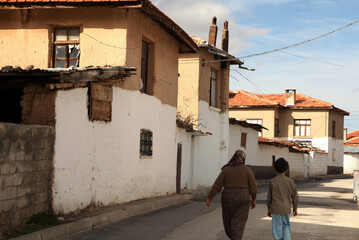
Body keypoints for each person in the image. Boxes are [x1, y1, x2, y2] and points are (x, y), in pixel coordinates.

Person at [206, 150, 257, 240]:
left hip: (228, 197)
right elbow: (253, 186)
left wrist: (210, 197)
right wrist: (253, 199)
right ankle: (236, 237)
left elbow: (217, 185)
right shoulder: (248, 170)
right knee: (239, 221)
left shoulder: (226, 169)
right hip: (243, 197)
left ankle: (234, 236)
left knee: (228, 220)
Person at [267, 158, 298, 240]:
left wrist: (269, 209)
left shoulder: (272, 181)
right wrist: (295, 208)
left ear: (274, 168)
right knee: (286, 226)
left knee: (277, 228)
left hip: (275, 208)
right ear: (286, 169)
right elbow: (295, 196)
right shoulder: (290, 181)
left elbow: (269, 197)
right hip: (286, 208)